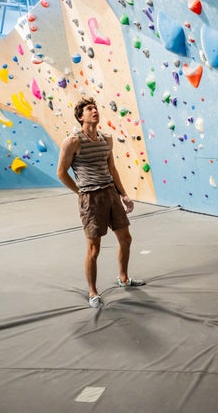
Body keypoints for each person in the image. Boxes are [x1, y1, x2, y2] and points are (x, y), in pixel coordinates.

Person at [57, 96, 145, 308]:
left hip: (110, 193)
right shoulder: (73, 141)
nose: (94, 110)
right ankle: (93, 292)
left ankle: (123, 278)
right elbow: (61, 173)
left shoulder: (107, 139)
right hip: (91, 198)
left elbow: (112, 169)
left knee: (126, 238)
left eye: (96, 108)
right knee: (94, 249)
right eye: (89, 108)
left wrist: (123, 194)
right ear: (81, 116)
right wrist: (81, 192)